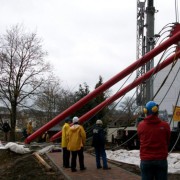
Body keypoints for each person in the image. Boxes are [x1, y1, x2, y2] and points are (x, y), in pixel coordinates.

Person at [137, 101, 171, 180]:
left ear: (145, 111)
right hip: (161, 160)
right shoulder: (165, 125)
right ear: (157, 111)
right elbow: (167, 140)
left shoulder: (141, 125)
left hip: (146, 160)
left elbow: (140, 139)